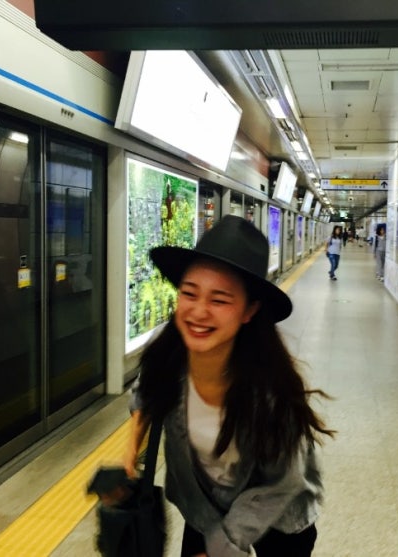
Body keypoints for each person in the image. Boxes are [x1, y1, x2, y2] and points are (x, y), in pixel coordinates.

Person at [123, 215, 333, 557]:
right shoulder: (168, 352)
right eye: (189, 293)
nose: (198, 312)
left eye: (219, 300)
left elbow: (284, 482)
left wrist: (224, 544)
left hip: (279, 515)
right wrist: (130, 452)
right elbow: (145, 393)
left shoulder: (271, 392)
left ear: (249, 310)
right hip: (204, 505)